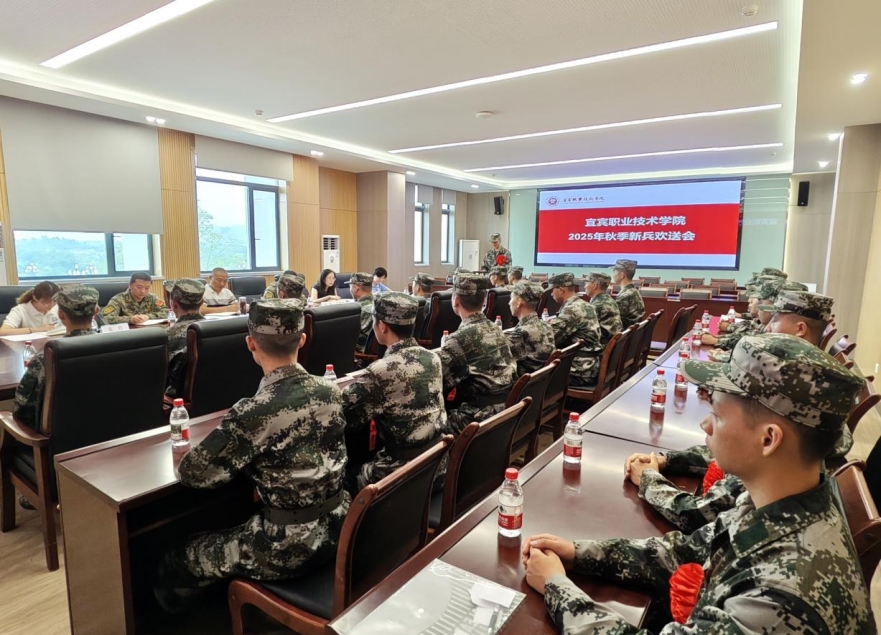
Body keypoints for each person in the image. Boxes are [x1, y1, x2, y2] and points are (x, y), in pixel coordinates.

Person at [522, 334, 872, 634]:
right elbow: (687, 552)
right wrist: (580, 553)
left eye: (717, 415)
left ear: (768, 440)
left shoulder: (781, 596)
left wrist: (556, 587)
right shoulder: (780, 498)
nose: (705, 425)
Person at [155, 299, 349, 611]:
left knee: (183, 554)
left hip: (288, 547)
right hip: (341, 527)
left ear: (250, 344)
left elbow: (194, 475)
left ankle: (179, 622)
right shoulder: (331, 390)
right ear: (302, 339)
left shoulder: (253, 411)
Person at [342, 293, 447, 490]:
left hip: (403, 476)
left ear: (382, 326)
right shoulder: (432, 358)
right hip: (437, 465)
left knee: (343, 479)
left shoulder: (381, 370)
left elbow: (345, 416)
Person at [438, 274, 516, 434]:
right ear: (484, 301)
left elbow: (438, 381)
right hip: (507, 412)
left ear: (456, 300)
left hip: (478, 420)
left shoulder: (459, 339)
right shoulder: (496, 328)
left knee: (425, 430)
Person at [14, 285, 99, 432]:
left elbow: (22, 410)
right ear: (96, 311)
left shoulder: (47, 357)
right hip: (112, 434)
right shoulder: (117, 347)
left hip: (60, 440)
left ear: (61, 315)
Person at [548, 273, 603, 386]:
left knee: (533, 372)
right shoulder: (585, 305)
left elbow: (550, 340)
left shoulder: (571, 310)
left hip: (578, 371)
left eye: (552, 289)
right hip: (590, 367)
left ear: (561, 290)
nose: (551, 293)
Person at [165, 279, 206, 398]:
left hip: (180, 399)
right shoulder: (218, 330)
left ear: (174, 305)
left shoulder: (166, 336)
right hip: (219, 395)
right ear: (202, 302)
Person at [505, 282, 555, 375]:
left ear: (519, 302)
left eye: (511, 298)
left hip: (524, 380)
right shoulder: (545, 325)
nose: (509, 303)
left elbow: (502, 360)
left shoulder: (521, 332)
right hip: (539, 379)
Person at [102, 272, 167, 324]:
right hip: (127, 333)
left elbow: (165, 311)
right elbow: (106, 317)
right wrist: (130, 319)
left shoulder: (153, 298)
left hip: (149, 331)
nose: (143, 291)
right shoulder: (118, 300)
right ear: (130, 285)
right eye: (139, 287)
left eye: (147, 288)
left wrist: (148, 316)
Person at [585, 272, 622, 346]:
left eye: (586, 282)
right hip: (613, 345)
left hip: (602, 347)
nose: (585, 286)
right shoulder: (608, 299)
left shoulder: (598, 305)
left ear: (594, 285)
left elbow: (586, 330)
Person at [610, 259, 645, 329]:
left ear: (622, 275)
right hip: (632, 333)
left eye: (614, 272)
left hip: (624, 333)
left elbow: (614, 322)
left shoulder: (625, 295)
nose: (613, 275)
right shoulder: (633, 291)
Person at [348, 272, 375, 353]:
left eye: (350, 286)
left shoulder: (358, 310)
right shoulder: (379, 303)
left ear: (355, 288)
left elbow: (350, 336)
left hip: (359, 353)